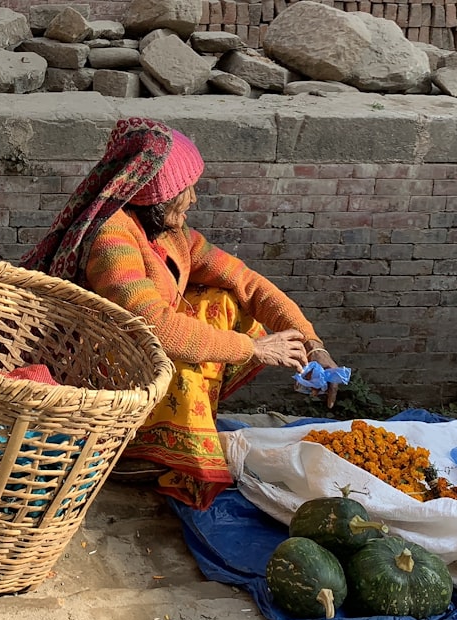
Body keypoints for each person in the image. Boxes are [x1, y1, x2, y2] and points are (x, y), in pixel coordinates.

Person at [19, 117, 338, 509]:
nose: (194, 199)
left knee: (227, 300)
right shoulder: (111, 237)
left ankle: (172, 431)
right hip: (105, 364)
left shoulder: (174, 234)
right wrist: (252, 349)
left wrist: (311, 341)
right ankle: (133, 451)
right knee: (186, 359)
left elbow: (247, 282)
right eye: (187, 190)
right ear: (157, 197)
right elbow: (153, 326)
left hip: (143, 347)